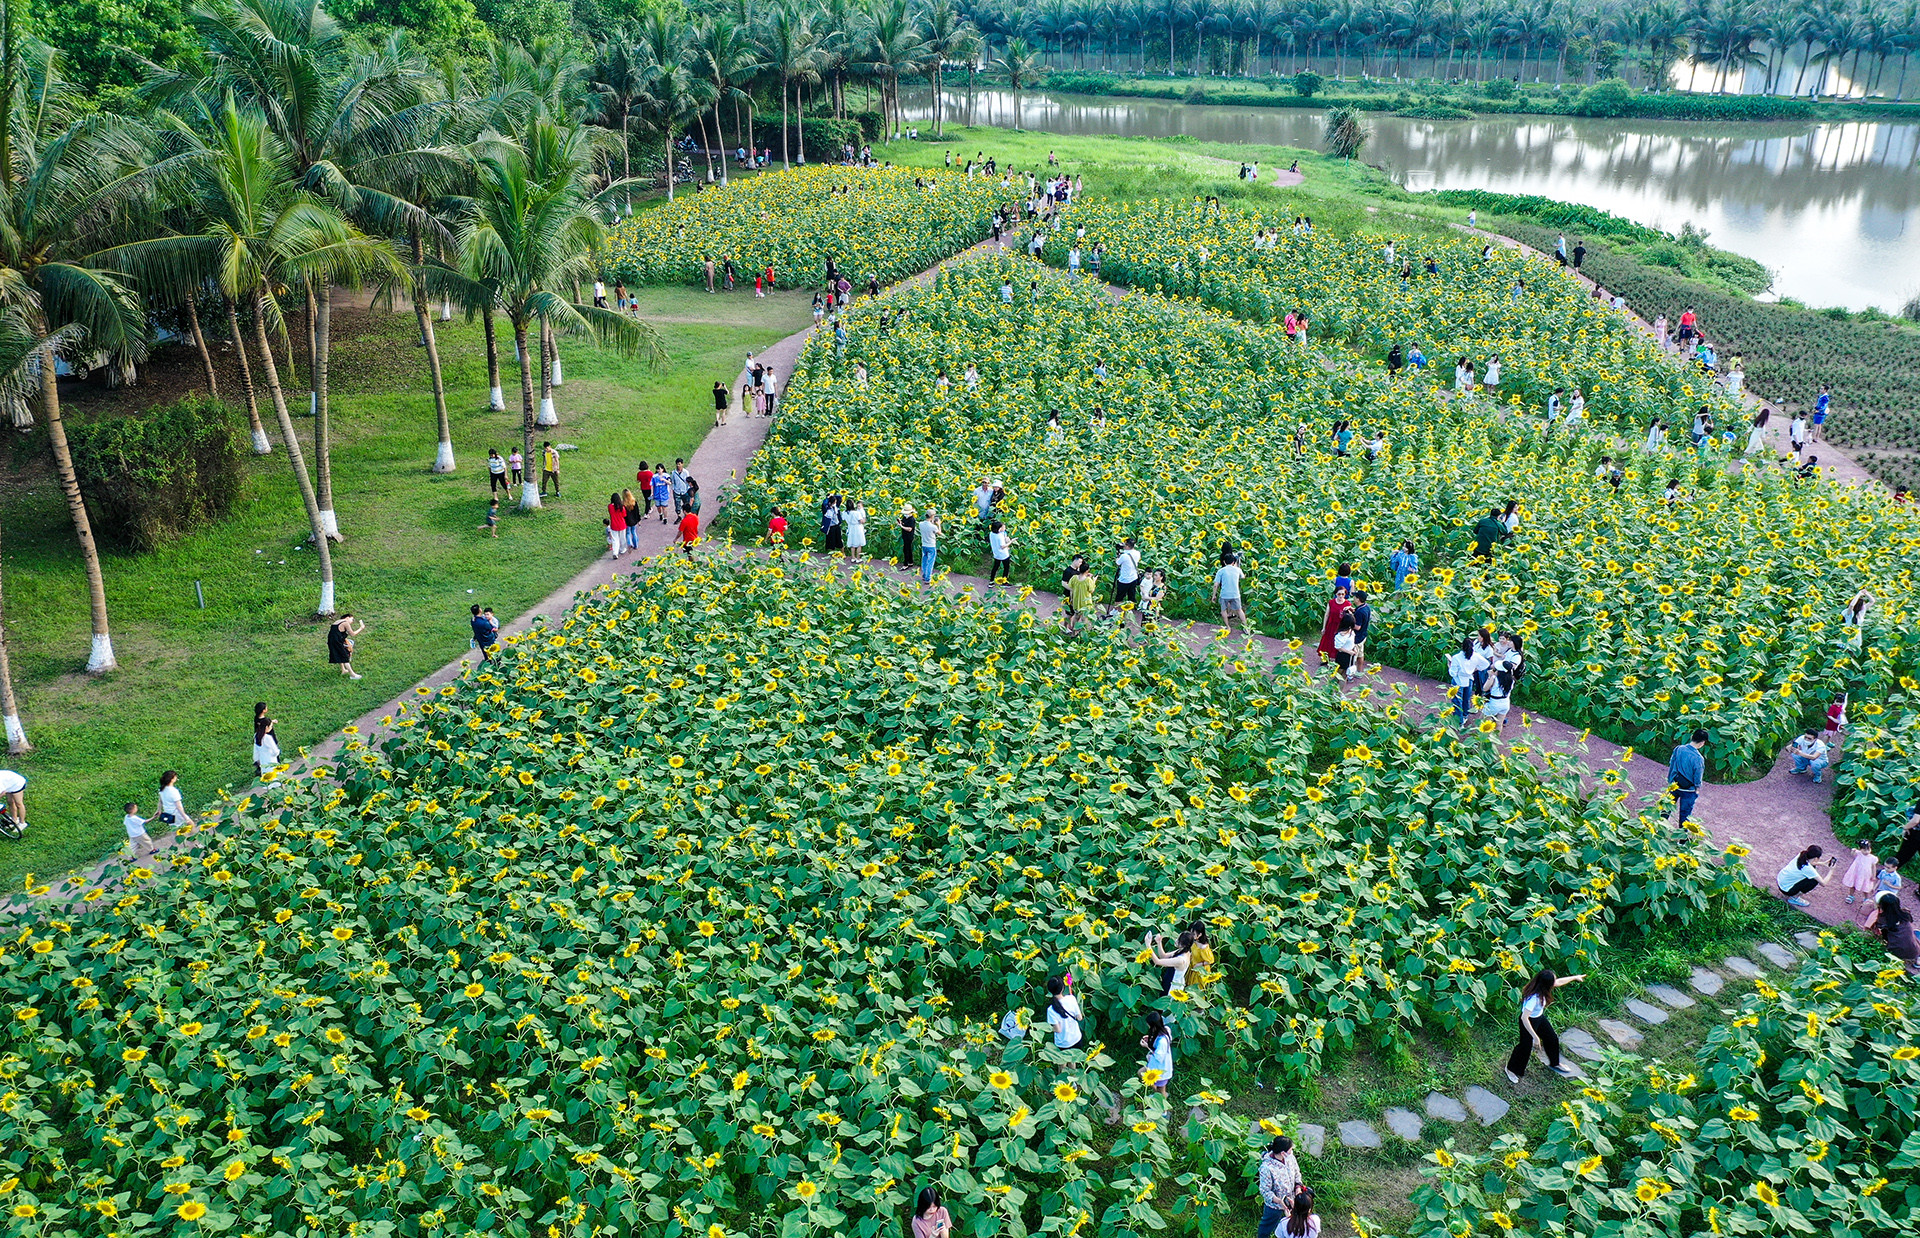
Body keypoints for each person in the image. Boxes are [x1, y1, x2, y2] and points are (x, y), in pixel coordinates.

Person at [1504, 967, 1586, 1084]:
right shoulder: (1533, 998)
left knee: (1552, 1038)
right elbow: (1524, 1018)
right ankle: (1511, 1069)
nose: (1555, 983)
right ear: (1546, 985)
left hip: (1539, 1018)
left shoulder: (1541, 987)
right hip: (1528, 1022)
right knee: (1525, 1047)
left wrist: (1575, 977)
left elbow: (1559, 982)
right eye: (1553, 981)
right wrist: (1535, 1037)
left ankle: (1555, 1063)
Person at [1255, 1138, 1302, 1238]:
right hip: (1275, 1206)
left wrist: (1298, 1188)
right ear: (1283, 1153)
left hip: (1292, 1200)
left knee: (1292, 1223)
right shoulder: (1266, 1168)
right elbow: (1265, 1191)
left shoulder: (1291, 1158)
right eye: (1290, 1149)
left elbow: (1297, 1173)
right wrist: (1280, 1201)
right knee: (1267, 1225)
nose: (1292, 1151)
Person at [1865, 892, 1920, 969]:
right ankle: (1918, 959)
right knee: (1915, 934)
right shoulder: (1905, 914)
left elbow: (1872, 930)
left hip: (1895, 953)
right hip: (1914, 951)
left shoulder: (1882, 921)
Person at [1776, 844, 1837, 909]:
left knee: (1813, 870)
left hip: (1780, 881)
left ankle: (1794, 895)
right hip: (1786, 890)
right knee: (1814, 881)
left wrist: (1823, 863)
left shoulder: (1801, 855)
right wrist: (1831, 870)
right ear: (1816, 858)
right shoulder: (1808, 869)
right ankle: (1794, 898)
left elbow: (1810, 863)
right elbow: (1823, 883)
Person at [1666, 728, 1706, 825]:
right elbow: (1698, 775)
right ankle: (1682, 835)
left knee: (1665, 809)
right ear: (1702, 743)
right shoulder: (1698, 758)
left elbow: (1672, 763)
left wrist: (1670, 780)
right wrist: (1697, 788)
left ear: (1692, 737)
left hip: (1674, 785)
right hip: (1689, 790)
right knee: (1685, 816)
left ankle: (1659, 830)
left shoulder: (1678, 749)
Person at [1447, 637, 1484, 726]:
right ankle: (1465, 715)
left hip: (1458, 681)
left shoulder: (1457, 657)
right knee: (1466, 698)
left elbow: (1453, 673)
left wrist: (1449, 665)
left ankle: (1459, 721)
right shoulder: (1475, 656)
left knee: (1457, 701)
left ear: (1462, 646)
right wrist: (1474, 669)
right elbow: (1485, 664)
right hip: (1469, 679)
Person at [1315, 586, 1351, 668]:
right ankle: (1325, 659)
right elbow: (1327, 615)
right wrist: (1324, 627)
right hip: (1331, 625)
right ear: (1336, 594)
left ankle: (1336, 661)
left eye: (1343, 594)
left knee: (1338, 643)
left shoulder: (1347, 604)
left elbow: (1349, 618)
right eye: (1339, 594)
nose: (1341, 596)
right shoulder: (1331, 602)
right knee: (1327, 642)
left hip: (1340, 627)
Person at [1148, 930, 1193, 995]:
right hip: (1170, 980)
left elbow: (1157, 961)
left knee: (1165, 1000)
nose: (1176, 940)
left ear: (1183, 945)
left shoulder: (1180, 960)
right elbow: (1164, 956)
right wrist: (1159, 942)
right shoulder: (1184, 951)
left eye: (1178, 940)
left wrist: (1148, 946)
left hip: (1172, 986)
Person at [1045, 974, 1083, 1049]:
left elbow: (1058, 1030)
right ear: (1063, 988)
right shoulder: (1071, 999)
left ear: (1050, 990)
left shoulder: (1051, 1010)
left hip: (1063, 1043)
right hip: (1076, 1038)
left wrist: (1049, 1028)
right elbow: (1080, 1018)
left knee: (1065, 1057)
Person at [1212, 552, 1247, 634]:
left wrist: (1214, 595)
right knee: (1239, 610)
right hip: (1235, 594)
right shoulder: (1238, 570)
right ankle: (1246, 628)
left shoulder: (1221, 571)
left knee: (1223, 611)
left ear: (1224, 562)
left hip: (1224, 594)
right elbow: (1243, 577)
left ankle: (1228, 627)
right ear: (1233, 562)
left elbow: (1216, 585)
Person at [1140, 1011, 1173, 1091]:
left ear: (1153, 1026)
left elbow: (1159, 1057)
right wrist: (1150, 1037)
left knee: (1160, 1089)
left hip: (1160, 1069)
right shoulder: (1166, 1029)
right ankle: (1157, 1094)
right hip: (1158, 1066)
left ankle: (1160, 1096)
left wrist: (1147, 1046)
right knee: (1141, 1073)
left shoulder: (1162, 1042)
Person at [328, 614, 364, 680]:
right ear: (347, 617)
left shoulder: (336, 622)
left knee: (339, 655)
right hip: (337, 642)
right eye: (352, 619)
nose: (352, 622)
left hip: (332, 641)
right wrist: (361, 628)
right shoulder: (345, 623)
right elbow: (352, 634)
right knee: (345, 657)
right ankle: (352, 675)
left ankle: (343, 670)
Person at [1112, 538, 1142, 613]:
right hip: (1134, 578)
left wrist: (1118, 555)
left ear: (1128, 546)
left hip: (1124, 579)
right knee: (1131, 596)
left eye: (1125, 544)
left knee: (1119, 596)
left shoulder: (1124, 556)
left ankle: (1116, 611)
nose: (1123, 546)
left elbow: (1117, 563)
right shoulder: (1137, 553)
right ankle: (1129, 610)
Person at [252, 703, 280, 775]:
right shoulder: (268, 738)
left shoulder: (256, 735)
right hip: (271, 759)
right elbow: (275, 751)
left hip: (263, 760)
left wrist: (272, 721)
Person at [917, 508, 942, 584]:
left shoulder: (921, 524)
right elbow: (939, 533)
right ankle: (928, 578)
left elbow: (927, 526)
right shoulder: (933, 527)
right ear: (932, 516)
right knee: (930, 562)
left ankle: (924, 575)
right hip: (931, 546)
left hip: (924, 545)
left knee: (924, 561)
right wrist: (939, 524)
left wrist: (932, 522)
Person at [987, 519, 1014, 584]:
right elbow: (1003, 546)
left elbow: (1003, 535)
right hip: (1003, 555)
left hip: (996, 554)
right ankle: (1004, 582)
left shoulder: (991, 533)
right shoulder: (999, 536)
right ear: (999, 529)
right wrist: (1011, 541)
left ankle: (991, 581)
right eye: (1003, 527)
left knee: (995, 567)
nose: (1004, 528)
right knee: (1006, 568)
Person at [898, 505, 917, 569]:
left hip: (909, 536)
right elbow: (904, 523)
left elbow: (909, 529)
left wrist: (901, 526)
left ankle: (905, 564)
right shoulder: (905, 518)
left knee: (906, 550)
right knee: (909, 549)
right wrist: (900, 522)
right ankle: (910, 562)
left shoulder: (912, 519)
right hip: (905, 536)